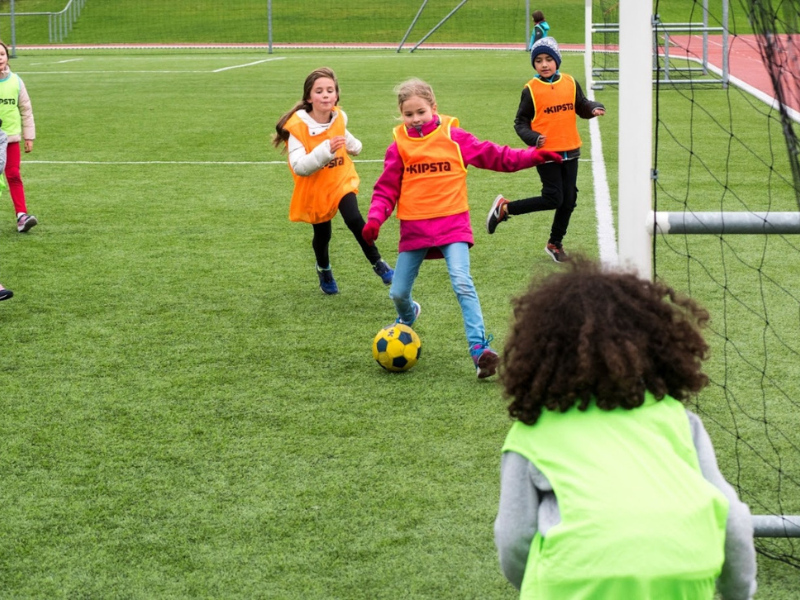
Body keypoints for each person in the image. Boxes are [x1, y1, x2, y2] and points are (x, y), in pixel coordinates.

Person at [494, 258, 757, 599]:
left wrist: (538, 585)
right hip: (685, 573)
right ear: (654, 345)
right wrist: (740, 594)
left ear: (537, 352)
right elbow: (733, 521)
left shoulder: (532, 433)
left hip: (577, 582)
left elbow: (514, 538)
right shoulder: (677, 419)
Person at [362, 78, 562, 379]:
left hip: (452, 223)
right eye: (409, 114)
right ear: (401, 115)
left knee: (462, 281)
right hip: (414, 230)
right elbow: (386, 189)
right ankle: (407, 315)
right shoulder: (398, 147)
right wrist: (376, 218)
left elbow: (495, 155)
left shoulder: (454, 137)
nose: (415, 119)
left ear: (434, 108)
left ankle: (479, 350)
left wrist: (532, 156)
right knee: (398, 292)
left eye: (421, 112)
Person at [273, 66, 394, 295]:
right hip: (316, 187)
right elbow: (300, 167)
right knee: (322, 234)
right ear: (309, 97)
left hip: (340, 179)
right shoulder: (297, 128)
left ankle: (379, 263)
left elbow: (343, 135)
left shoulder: (339, 116)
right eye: (319, 91)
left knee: (354, 218)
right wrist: (326, 149)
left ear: (337, 95)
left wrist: (354, 146)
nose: (325, 94)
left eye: (330, 90)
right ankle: (324, 268)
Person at [486, 37, 605, 263]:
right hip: (547, 153)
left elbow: (582, 105)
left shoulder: (570, 82)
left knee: (568, 200)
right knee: (553, 198)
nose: (544, 64)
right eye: (538, 60)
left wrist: (594, 108)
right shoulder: (530, 90)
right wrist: (534, 138)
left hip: (572, 150)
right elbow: (520, 122)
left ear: (557, 60)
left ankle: (554, 244)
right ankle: (505, 208)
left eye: (548, 59)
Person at [0, 41, 37, 233]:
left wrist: (29, 136)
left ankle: (22, 216)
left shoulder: (16, 81)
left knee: (13, 175)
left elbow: (26, 109)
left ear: (7, 57)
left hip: (11, 139)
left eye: (2, 54)